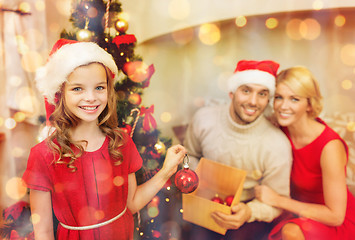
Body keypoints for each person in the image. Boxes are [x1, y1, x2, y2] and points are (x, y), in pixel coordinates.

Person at [22, 39, 186, 240]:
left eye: (99, 87)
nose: (91, 97)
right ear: (60, 94)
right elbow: (43, 233)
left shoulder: (121, 143)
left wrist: (167, 171)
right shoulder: (43, 155)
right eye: (77, 89)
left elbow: (132, 204)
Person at [183, 60, 293, 240]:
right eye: (246, 90)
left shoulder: (276, 144)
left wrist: (249, 212)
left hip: (248, 215)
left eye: (262, 94)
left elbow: (278, 200)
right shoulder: (204, 119)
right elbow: (189, 154)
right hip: (203, 203)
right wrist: (193, 179)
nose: (253, 101)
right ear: (232, 92)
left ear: (268, 99)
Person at [254, 66, 355, 240]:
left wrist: (277, 200)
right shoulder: (278, 128)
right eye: (279, 97)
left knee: (290, 232)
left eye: (294, 99)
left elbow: (335, 216)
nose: (283, 106)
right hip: (298, 213)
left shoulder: (329, 146)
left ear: (309, 104)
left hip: (334, 221)